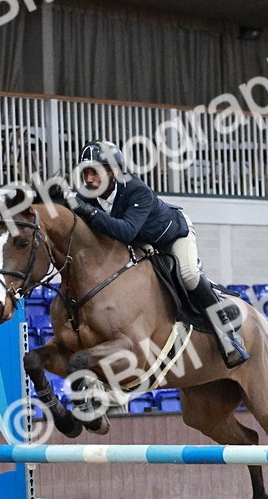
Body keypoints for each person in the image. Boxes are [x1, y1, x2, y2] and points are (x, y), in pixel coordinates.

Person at [68, 140, 248, 368]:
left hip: (172, 235)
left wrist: (88, 211)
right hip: (141, 242)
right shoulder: (88, 196)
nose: (89, 180)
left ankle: (228, 332)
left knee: (190, 274)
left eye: (94, 172)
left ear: (112, 171)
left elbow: (125, 231)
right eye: (86, 173)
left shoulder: (136, 189)